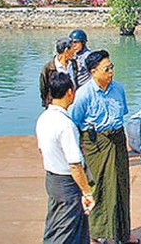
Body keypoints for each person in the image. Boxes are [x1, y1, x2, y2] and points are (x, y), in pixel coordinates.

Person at [69, 50, 139, 244]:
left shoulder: (118, 89)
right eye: (106, 69)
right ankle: (97, 235)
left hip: (116, 140)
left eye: (111, 68)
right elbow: (73, 123)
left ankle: (123, 233)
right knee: (98, 188)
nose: (111, 72)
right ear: (93, 72)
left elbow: (122, 113)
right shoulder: (84, 94)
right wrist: (78, 155)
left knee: (121, 186)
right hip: (96, 144)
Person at [36, 72, 95, 244]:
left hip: (52, 178)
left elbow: (41, 149)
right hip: (67, 184)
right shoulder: (66, 125)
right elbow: (75, 164)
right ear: (70, 92)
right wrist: (86, 192)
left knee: (58, 225)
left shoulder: (44, 118)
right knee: (66, 231)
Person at [40, 37, 78, 108]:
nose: (75, 51)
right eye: (73, 48)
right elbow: (44, 90)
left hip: (73, 103)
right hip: (56, 106)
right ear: (66, 50)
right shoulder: (48, 68)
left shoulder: (73, 64)